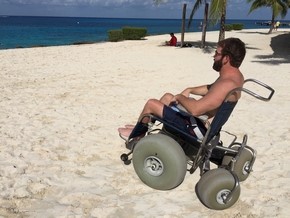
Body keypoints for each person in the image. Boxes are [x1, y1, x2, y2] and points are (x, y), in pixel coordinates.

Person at [118, 37, 246, 140]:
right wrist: (190, 89)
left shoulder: (226, 84)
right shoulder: (235, 77)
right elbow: (211, 89)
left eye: (217, 53)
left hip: (195, 129)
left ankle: (137, 135)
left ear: (226, 59)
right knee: (168, 97)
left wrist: (180, 97)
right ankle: (141, 126)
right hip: (200, 123)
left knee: (151, 104)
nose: (213, 56)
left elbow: (196, 109)